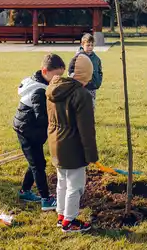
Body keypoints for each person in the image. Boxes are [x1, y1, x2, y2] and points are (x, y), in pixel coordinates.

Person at [46, 54, 98, 233]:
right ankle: (69, 221)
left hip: (55, 143)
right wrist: (91, 155)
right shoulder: (81, 95)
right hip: (73, 146)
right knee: (75, 185)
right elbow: (86, 129)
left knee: (62, 181)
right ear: (87, 75)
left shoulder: (54, 87)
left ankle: (61, 215)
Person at [13, 53, 66, 211]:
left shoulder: (40, 82)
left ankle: (25, 191)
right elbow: (41, 117)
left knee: (37, 163)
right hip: (27, 130)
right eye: (56, 76)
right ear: (45, 71)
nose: (58, 80)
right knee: (37, 165)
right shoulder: (38, 91)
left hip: (29, 128)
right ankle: (46, 199)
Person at [68, 33, 103, 109]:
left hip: (93, 87)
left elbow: (100, 71)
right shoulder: (78, 58)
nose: (90, 47)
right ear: (82, 44)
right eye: (88, 45)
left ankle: (91, 120)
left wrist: (98, 81)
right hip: (83, 87)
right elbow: (70, 71)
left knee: (92, 106)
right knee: (83, 107)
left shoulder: (96, 59)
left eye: (92, 45)